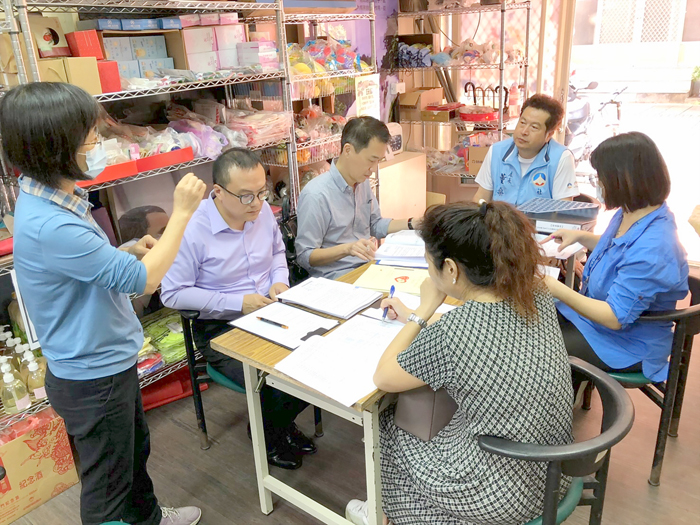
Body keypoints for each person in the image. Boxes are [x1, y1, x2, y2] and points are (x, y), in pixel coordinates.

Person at [2, 83, 206, 525]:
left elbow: (86, 266)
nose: (99, 143)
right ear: (57, 146)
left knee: (132, 457)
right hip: (93, 378)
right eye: (90, 135)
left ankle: (149, 518)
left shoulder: (55, 197)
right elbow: (145, 280)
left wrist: (127, 250)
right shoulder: (52, 223)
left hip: (104, 363)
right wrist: (182, 212)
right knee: (107, 487)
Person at [345, 202, 574, 525]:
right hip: (553, 471)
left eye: (429, 264)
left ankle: (385, 514)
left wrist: (422, 311)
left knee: (389, 427)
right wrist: (415, 317)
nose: (429, 273)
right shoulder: (533, 294)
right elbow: (483, 335)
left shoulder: (455, 331)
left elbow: (384, 376)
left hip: (502, 494)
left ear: (451, 270)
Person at [160, 148, 314, 471]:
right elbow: (172, 294)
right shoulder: (192, 229)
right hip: (221, 326)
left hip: (269, 310)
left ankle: (278, 424)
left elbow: (277, 253)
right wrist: (238, 302)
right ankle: (267, 434)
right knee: (276, 378)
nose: (256, 203)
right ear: (218, 192)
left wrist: (279, 281)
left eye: (261, 192)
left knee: (314, 359)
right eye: (246, 196)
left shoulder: (262, 212)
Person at [543, 132, 688, 385]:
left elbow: (615, 317)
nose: (598, 183)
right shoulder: (634, 212)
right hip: (596, 324)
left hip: (625, 345)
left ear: (623, 180)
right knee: (526, 320)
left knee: (533, 346)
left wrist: (556, 288)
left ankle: (556, 402)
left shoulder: (654, 248)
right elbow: (620, 247)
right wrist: (581, 237)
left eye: (601, 177)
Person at [296, 116, 415, 280]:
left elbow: (375, 224)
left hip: (366, 268)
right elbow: (305, 256)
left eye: (378, 161)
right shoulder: (316, 195)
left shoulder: (361, 182)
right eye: (371, 160)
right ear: (348, 150)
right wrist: (347, 249)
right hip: (336, 278)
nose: (373, 169)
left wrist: (413, 223)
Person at [473, 94, 579, 206]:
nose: (524, 131)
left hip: (538, 218)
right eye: (522, 123)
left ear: (549, 135)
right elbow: (481, 198)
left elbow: (563, 209)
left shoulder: (561, 158)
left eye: (534, 127)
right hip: (501, 217)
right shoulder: (496, 152)